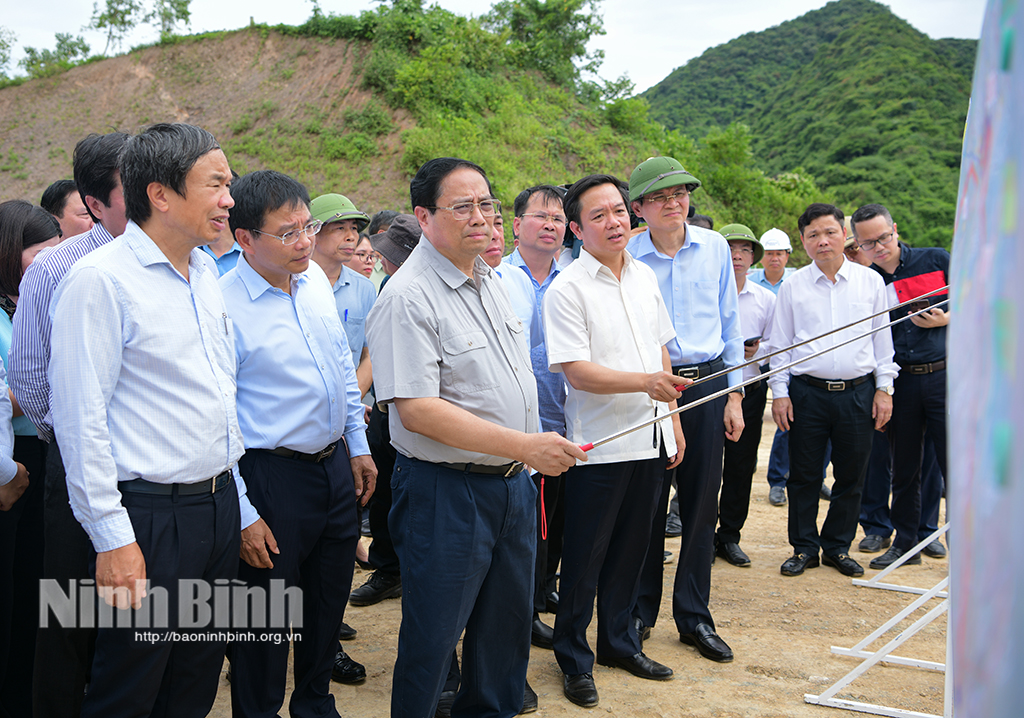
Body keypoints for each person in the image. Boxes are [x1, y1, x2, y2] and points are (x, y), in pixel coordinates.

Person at [366, 157, 585, 718]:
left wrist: (526, 452)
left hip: (510, 486)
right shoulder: (407, 296)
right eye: (462, 206)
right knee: (434, 640)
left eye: (486, 204)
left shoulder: (488, 279)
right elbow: (416, 410)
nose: (480, 217)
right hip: (447, 491)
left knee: (504, 635)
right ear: (424, 215)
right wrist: (524, 446)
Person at [48, 122, 250, 717]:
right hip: (150, 516)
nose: (229, 200)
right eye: (215, 185)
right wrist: (113, 538)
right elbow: (80, 422)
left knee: (195, 678)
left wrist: (234, 502)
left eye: (229, 184)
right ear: (160, 194)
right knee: (130, 686)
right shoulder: (100, 282)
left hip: (214, 509)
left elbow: (216, 400)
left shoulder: (207, 272)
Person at [220, 169, 376, 717]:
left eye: (308, 226)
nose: (305, 241)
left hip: (333, 467)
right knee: (260, 617)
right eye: (288, 233)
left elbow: (339, 365)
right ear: (245, 239)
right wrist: (242, 512)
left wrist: (357, 443)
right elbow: (220, 419)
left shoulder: (312, 284)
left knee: (327, 600)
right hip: (269, 478)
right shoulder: (223, 306)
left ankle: (314, 703)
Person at [545, 174, 686, 708]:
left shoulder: (646, 276)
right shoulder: (568, 289)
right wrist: (644, 384)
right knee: (585, 558)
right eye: (598, 215)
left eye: (620, 211)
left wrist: (671, 418)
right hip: (598, 448)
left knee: (634, 549)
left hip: (650, 440)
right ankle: (574, 658)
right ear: (577, 229)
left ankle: (619, 644)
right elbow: (577, 372)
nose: (615, 221)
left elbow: (661, 353)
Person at [9, 131, 131, 718]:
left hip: (158, 474)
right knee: (71, 610)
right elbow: (31, 379)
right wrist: (80, 442)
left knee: (147, 614)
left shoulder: (191, 261)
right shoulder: (56, 268)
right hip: (77, 466)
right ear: (95, 201)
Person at [626, 156, 743, 664]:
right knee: (646, 504)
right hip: (649, 390)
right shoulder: (626, 252)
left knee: (700, 505)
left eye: (681, 193)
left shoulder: (715, 247)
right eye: (660, 196)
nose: (674, 203)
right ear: (638, 209)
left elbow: (730, 320)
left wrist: (734, 393)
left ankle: (694, 616)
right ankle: (638, 611)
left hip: (708, 383)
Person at [769, 203, 898, 578]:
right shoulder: (793, 286)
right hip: (806, 393)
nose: (822, 241)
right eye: (813, 235)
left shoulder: (870, 281)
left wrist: (884, 389)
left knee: (851, 473)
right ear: (804, 243)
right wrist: (780, 392)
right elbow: (780, 345)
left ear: (845, 235)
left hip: (858, 392)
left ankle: (837, 547)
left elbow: (882, 342)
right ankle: (804, 547)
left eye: (829, 232)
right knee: (804, 474)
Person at [851, 203, 949, 569]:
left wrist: (946, 318)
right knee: (904, 468)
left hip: (943, 375)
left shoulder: (936, 259)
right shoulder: (868, 281)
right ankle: (906, 544)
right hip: (900, 381)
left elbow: (979, 299)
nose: (879, 247)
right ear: (858, 245)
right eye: (869, 243)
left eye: (884, 237)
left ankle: (950, 538)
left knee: (950, 464)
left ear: (896, 229)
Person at [507, 184, 571, 649]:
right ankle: (521, 611)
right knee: (523, 529)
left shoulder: (573, 279)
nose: (551, 225)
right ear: (516, 225)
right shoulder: (496, 277)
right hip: (514, 432)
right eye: (541, 216)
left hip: (565, 420)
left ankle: (541, 592)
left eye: (558, 219)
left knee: (555, 521)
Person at [0, 200, 57, 717]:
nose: (49, 261)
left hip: (36, 454)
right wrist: (38, 377)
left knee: (35, 591)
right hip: (9, 461)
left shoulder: (27, 304)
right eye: (40, 252)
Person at [714, 224, 776, 568]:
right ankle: (703, 535)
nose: (737, 256)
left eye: (744, 250)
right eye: (730, 248)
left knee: (741, 466)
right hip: (712, 390)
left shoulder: (765, 299)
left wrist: (756, 351)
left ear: (754, 257)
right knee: (704, 468)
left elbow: (777, 342)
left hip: (750, 389)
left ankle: (730, 536)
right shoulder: (707, 294)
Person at [310, 193, 375, 397]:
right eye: (340, 228)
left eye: (354, 228)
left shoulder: (364, 288)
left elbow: (371, 354)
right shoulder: (290, 283)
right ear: (314, 234)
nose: (351, 236)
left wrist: (350, 403)